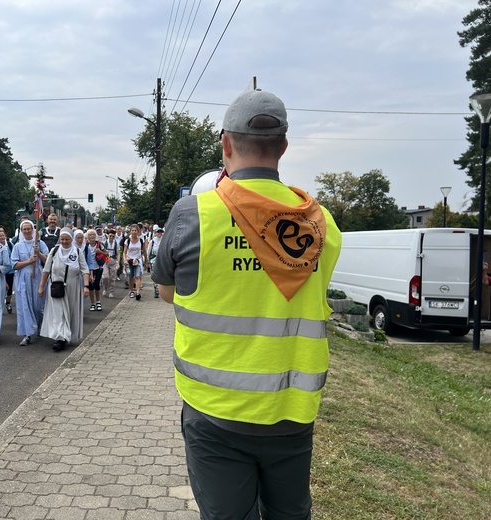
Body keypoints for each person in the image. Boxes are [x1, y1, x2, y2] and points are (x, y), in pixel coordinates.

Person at [152, 88, 342, 520]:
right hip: (292, 411)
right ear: (284, 147)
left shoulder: (192, 214)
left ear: (225, 144)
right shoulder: (321, 222)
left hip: (215, 412)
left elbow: (166, 293)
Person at [38, 227, 90, 351]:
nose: (65, 241)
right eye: (62, 239)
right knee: (59, 313)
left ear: (71, 239)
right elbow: (46, 270)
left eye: (67, 239)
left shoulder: (77, 252)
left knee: (69, 312)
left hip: (72, 287)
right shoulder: (54, 251)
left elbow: (85, 270)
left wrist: (86, 286)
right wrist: (41, 287)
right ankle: (60, 338)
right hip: (57, 287)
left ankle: (67, 335)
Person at [12, 219, 50, 345]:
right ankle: (27, 334)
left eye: (29, 229)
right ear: (21, 231)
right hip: (23, 278)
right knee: (25, 306)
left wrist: (38, 253)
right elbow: (14, 265)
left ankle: (39, 325)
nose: (27, 231)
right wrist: (28, 261)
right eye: (25, 229)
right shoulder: (17, 246)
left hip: (38, 277)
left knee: (38, 307)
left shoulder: (40, 244)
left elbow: (48, 261)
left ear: (33, 230)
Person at [123, 224, 148, 300]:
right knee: (131, 277)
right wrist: (125, 259)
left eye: (135, 231)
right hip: (130, 260)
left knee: (137, 276)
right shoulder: (127, 241)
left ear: (138, 232)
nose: (134, 232)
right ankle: (131, 291)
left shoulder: (140, 240)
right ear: (130, 232)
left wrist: (146, 261)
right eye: (132, 230)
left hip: (137, 260)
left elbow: (144, 251)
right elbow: (124, 252)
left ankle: (138, 292)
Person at [0, 226, 15, 313]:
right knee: (0, 287)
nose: (1, 237)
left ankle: (8, 303)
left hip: (10, 270)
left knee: (9, 288)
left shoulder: (10, 245)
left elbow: (14, 255)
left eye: (2, 235)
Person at [102, 228, 120, 299]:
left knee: (112, 278)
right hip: (105, 261)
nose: (111, 237)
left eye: (113, 236)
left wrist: (118, 262)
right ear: (108, 235)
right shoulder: (104, 243)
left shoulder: (116, 244)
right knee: (105, 277)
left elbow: (118, 254)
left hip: (113, 261)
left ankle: (111, 292)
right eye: (110, 236)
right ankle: (105, 288)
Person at [148, 225, 164, 298]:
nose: (159, 233)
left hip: (161, 260)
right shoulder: (152, 241)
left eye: (161, 232)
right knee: (155, 274)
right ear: (155, 233)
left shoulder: (164, 240)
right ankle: (156, 288)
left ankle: (159, 288)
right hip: (154, 260)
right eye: (158, 232)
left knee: (161, 274)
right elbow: (148, 251)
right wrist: (147, 261)